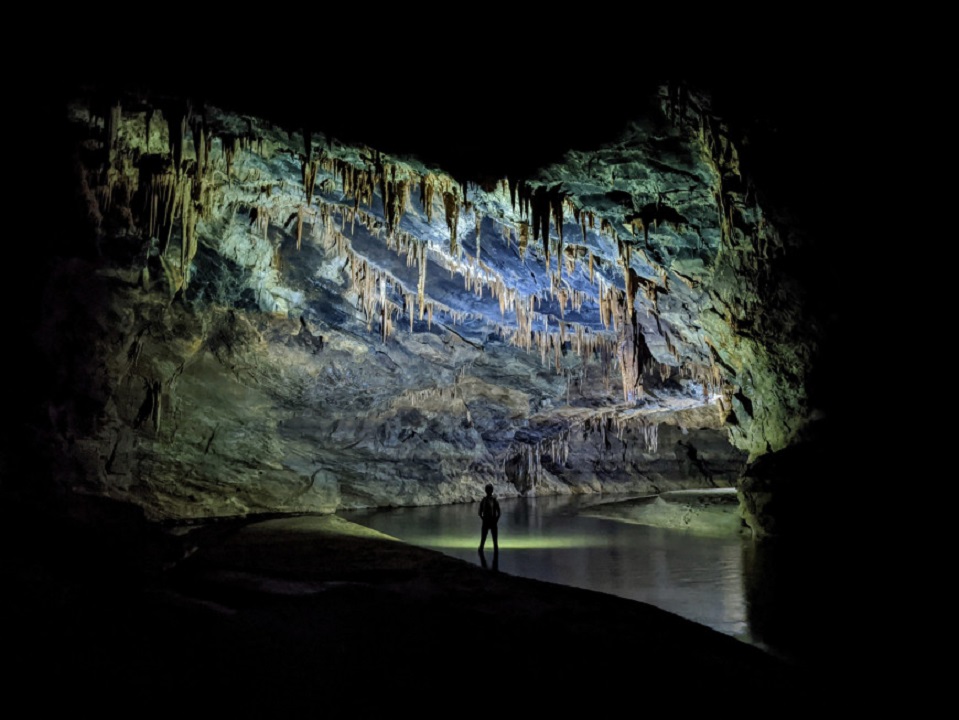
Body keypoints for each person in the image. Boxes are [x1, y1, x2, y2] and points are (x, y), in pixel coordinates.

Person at [478, 483, 501, 555]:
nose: (488, 491)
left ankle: (484, 551)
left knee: (493, 540)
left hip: (491, 522)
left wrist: (496, 520)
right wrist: (483, 519)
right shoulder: (485, 500)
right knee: (484, 539)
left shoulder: (493, 500)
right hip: (488, 522)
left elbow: (499, 512)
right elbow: (479, 512)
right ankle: (482, 550)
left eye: (489, 489)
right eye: (487, 489)